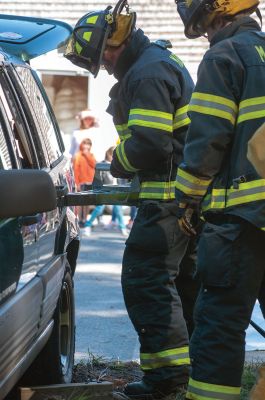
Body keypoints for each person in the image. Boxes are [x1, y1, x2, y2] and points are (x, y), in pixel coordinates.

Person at [64, 1, 199, 398]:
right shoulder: (154, 63)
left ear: (112, 45)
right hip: (185, 200)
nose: (103, 67)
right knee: (185, 285)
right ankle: (190, 373)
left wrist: (116, 162)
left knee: (147, 281)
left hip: (168, 205)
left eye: (100, 59)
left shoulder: (146, 73)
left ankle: (167, 380)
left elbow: (151, 145)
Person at [174, 1, 265, 399]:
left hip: (242, 219)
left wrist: (188, 198)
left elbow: (208, 137)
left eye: (204, 27)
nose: (206, 35)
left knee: (220, 323)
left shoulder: (224, 56)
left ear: (216, 15)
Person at [84, 146, 128, 237]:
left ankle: (123, 228)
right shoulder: (102, 164)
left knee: (118, 209)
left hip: (116, 190)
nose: (114, 157)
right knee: (99, 209)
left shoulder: (117, 164)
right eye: (113, 155)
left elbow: (122, 178)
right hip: (105, 190)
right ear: (108, 154)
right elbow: (99, 179)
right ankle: (87, 226)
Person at [73, 138, 96, 226]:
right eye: (85, 144)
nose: (86, 146)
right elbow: (75, 170)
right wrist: (77, 183)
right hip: (81, 182)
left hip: (90, 182)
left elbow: (94, 164)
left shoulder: (91, 155)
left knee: (87, 202)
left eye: (88, 144)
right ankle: (79, 220)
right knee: (80, 202)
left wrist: (87, 155)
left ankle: (85, 219)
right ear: (82, 145)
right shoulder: (78, 155)